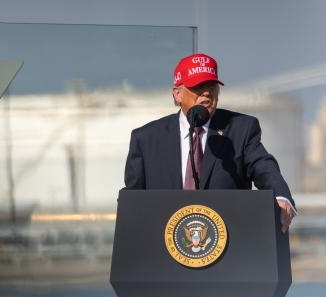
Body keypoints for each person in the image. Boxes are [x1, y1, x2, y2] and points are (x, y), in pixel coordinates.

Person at [124, 52, 296, 232]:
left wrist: (281, 195)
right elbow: (133, 201)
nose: (207, 92)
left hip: (229, 240)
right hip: (162, 241)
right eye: (198, 86)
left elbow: (263, 166)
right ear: (178, 94)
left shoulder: (241, 129)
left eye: (212, 86)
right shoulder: (146, 139)